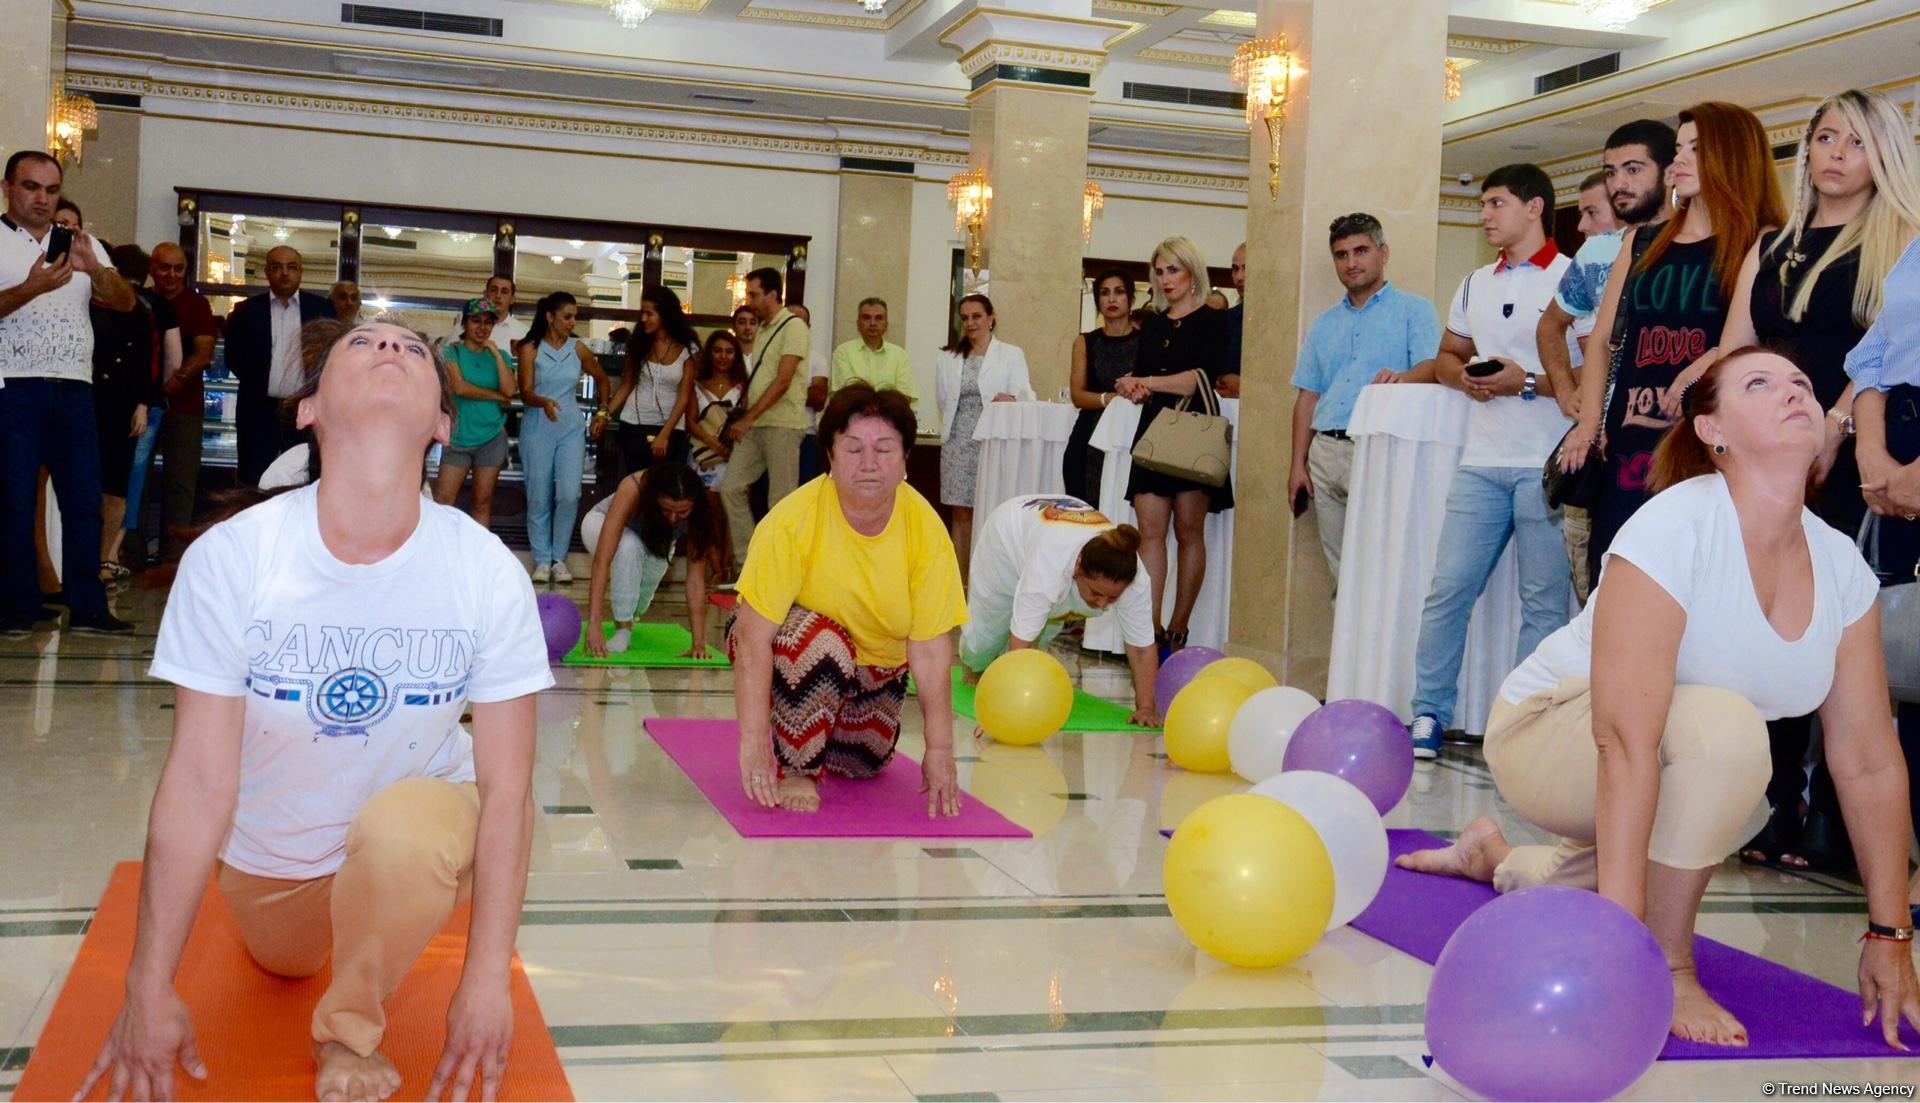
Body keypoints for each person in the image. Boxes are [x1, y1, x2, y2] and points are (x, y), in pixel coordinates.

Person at [72, 320, 553, 1103]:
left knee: (412, 829)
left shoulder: (484, 569)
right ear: (309, 412)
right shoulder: (236, 558)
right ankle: (323, 941)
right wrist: (147, 985)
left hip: (414, 839)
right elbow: (198, 779)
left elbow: (509, 790)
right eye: (363, 343)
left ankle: (347, 1032)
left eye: (413, 349)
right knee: (288, 952)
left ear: (441, 423)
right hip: (275, 875)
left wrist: (487, 979)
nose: (392, 349)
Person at [1400, 348, 1920, 1051]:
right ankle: (1671, 957)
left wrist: (1891, 933)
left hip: (1678, 753)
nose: (1795, 390)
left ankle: (1489, 853)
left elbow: (1867, 761)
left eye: (1802, 379)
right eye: (1760, 383)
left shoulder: (1839, 566)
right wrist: (1630, 952)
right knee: (1730, 739)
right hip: (1552, 726)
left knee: (1720, 767)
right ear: (1712, 430)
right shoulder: (1674, 526)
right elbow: (1624, 739)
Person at [1730, 89, 1920, 872]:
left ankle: (1838, 814)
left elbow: (1876, 356)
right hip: (1766, 453)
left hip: (1844, 456)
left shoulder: (1901, 237)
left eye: (1857, 141)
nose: (1836, 152)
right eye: (1824, 137)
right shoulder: (1774, 243)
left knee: (1839, 632)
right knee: (1765, 616)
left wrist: (1837, 428)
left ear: (1888, 157)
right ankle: (1775, 800)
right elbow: (1737, 347)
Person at [1561, 103, 1782, 592]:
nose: (1679, 160)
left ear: (1731, 156)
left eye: (1695, 149)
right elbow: (1602, 339)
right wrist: (1589, 423)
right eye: (1678, 148)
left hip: (1704, 438)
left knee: (1697, 583)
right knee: (1614, 580)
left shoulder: (1761, 242)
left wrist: (1700, 366)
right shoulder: (1643, 240)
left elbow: (1754, 339)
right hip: (1628, 439)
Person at [1402, 164, 1575, 759]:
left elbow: (1588, 378)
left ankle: (1524, 729)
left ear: (1535, 208)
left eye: (1496, 204)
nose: (1485, 215)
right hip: (1481, 461)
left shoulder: (1573, 277)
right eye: (1482, 206)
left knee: (1544, 603)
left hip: (1545, 462)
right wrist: (1466, 380)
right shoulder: (1475, 281)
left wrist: (1523, 382)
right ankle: (1428, 712)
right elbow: (1449, 355)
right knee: (1448, 589)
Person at [729, 383, 966, 815]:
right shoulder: (791, 521)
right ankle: (798, 764)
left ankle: (816, 736)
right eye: (854, 449)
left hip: (875, 674)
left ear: (905, 460)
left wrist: (940, 749)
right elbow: (751, 638)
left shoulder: (927, 532)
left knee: (861, 764)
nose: (869, 464)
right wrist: (754, 742)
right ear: (831, 458)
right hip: (792, 650)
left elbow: (931, 650)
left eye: (885, 450)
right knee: (821, 643)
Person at [1536, 119, 1677, 605]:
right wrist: (1567, 392)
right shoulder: (1597, 251)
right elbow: (1551, 325)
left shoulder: (1696, 248)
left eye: (1634, 169)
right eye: (1612, 171)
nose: (1620, 183)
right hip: (1598, 448)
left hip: (1670, 440)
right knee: (1595, 594)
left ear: (1670, 170)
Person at [0, 150, 138, 636]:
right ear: (7, 188)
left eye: (51, 189)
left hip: (75, 388)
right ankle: (16, 605)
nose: (42, 197)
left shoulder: (84, 243)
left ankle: (89, 608)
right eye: (31, 187)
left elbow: (124, 302)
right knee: (14, 500)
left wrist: (94, 269)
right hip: (12, 389)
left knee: (84, 501)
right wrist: (31, 288)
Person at [1287, 213, 1441, 585]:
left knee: (1382, 567)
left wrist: (1403, 378)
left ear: (1383, 253)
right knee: (1341, 573)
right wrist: (1297, 464)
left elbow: (1436, 367)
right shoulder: (1324, 324)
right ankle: (1348, 646)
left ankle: (1382, 646)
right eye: (1341, 255)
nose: (1351, 262)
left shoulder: (1413, 310)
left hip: (1378, 449)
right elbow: (1308, 396)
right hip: (1325, 454)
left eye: (1361, 251)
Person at [1846, 235, 1920, 921]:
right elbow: (1871, 355)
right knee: (1912, 673)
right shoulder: (1914, 248)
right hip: (1895, 443)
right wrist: (1872, 449)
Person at [1114, 236, 1232, 654]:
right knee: (1149, 532)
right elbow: (1150, 378)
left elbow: (1200, 376)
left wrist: (1147, 381)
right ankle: (1150, 628)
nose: (1165, 280)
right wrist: (1134, 387)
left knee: (1188, 531)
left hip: (1193, 431)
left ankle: (1179, 628)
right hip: (1155, 430)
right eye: (1160, 271)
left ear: (1191, 270)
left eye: (1173, 270)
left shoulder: (1214, 320)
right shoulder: (1153, 324)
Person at [960, 494, 1161, 727]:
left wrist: (1146, 708)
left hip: (1050, 540)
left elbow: (1141, 649)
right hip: (1006, 541)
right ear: (1078, 567)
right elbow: (1023, 644)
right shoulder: (1048, 566)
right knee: (984, 644)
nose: (1103, 603)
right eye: (1097, 593)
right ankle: (973, 663)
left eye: (1113, 597)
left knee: (1041, 641)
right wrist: (1013, 701)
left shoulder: (1135, 579)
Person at [90, 244, 178, 583]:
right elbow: (169, 360)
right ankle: (109, 556)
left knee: (103, 480)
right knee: (125, 481)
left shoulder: (109, 304)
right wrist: (152, 400)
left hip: (106, 401)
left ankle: (98, 556)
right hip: (136, 405)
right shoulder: (152, 306)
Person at [580, 462, 727, 658]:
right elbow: (602, 561)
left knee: (639, 604)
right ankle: (622, 630)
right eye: (666, 510)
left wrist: (698, 644)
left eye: (682, 512)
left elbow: (695, 581)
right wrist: (594, 624)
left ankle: (629, 619)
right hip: (598, 525)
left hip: (654, 540)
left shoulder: (699, 511)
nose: (674, 518)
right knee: (628, 545)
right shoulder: (633, 487)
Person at [936, 293, 1033, 581]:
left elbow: (1025, 393)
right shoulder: (947, 358)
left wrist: (1012, 397)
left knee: (992, 511)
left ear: (991, 319)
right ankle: (960, 585)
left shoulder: (1011, 354)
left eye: (976, 316)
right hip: (958, 441)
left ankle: (989, 584)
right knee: (961, 515)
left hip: (994, 442)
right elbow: (943, 400)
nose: (970, 323)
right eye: (965, 317)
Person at [516, 291, 611, 585]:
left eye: (574, 317)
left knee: (570, 493)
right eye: (567, 316)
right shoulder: (530, 349)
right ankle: (542, 560)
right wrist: (542, 401)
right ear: (550, 316)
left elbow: (603, 378)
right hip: (538, 424)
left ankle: (560, 558)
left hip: (570, 425)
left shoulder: (578, 348)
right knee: (539, 493)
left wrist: (603, 412)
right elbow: (525, 391)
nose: (572, 322)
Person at [719, 268, 810, 566]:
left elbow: (783, 381)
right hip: (757, 424)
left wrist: (747, 419)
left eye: (754, 294)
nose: (749, 300)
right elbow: (760, 378)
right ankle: (750, 563)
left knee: (781, 503)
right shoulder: (764, 329)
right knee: (730, 487)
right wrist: (744, 413)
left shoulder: (794, 327)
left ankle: (780, 569)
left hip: (783, 425)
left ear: (773, 295)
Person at [225, 245, 332, 485]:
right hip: (258, 410)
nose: (285, 273)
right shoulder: (247, 311)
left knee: (305, 477)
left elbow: (331, 356)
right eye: (277, 267)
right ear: (266, 272)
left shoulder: (322, 309)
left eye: (291, 267)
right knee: (253, 477)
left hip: (304, 410)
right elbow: (233, 356)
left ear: (301, 272)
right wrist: (259, 382)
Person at [149, 242, 216, 553]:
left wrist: (176, 379)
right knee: (134, 479)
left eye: (178, 269)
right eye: (165, 267)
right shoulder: (140, 299)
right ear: (153, 268)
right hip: (140, 405)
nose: (172, 275)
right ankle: (128, 552)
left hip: (185, 407)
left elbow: (204, 353)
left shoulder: (197, 305)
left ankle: (174, 556)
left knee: (180, 483)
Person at [433, 297, 520, 529]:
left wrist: (495, 355)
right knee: (443, 501)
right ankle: (441, 552)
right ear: (465, 323)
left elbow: (510, 390)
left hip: (491, 437)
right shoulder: (452, 351)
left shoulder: (499, 355)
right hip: (458, 436)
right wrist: (496, 396)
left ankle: (480, 557)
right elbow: (459, 387)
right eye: (476, 321)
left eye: (488, 323)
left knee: (482, 501)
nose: (482, 327)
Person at [604, 284, 697, 473]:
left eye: (649, 314)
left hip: (671, 426)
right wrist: (604, 414)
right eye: (642, 313)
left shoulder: (687, 347)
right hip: (634, 422)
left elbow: (684, 397)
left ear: (665, 314)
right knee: (636, 484)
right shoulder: (638, 343)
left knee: (666, 485)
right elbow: (626, 386)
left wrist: (664, 434)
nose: (644, 319)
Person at [1065, 270, 1139, 503]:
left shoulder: (1145, 341)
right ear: (1098, 300)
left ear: (1131, 299)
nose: (1112, 299)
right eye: (1105, 293)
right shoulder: (1085, 342)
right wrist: (1111, 398)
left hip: (1131, 435)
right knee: (1084, 510)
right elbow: (1077, 395)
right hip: (1088, 435)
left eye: (1119, 292)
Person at [687, 330, 748, 549]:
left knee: (735, 512)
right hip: (705, 456)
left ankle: (731, 564)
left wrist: (731, 448)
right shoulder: (696, 384)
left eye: (729, 352)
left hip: (737, 456)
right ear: (709, 353)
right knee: (708, 513)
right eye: (718, 351)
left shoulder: (744, 387)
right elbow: (691, 421)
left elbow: (749, 419)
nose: (723, 357)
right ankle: (714, 568)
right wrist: (714, 444)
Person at [829, 298, 917, 405]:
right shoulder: (843, 352)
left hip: (890, 419)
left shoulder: (900, 355)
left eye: (879, 318)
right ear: (858, 324)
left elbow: (903, 397)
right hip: (852, 418)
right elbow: (847, 394)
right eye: (866, 318)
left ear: (886, 325)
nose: (872, 323)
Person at [1219, 243, 1246, 397]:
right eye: (1235, 269)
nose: (1239, 277)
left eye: (1246, 268)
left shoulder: (1279, 321)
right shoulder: (1226, 320)